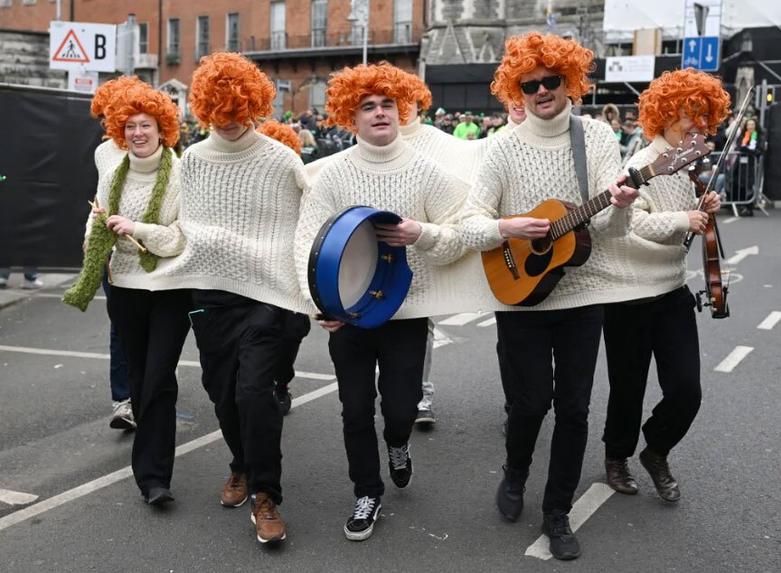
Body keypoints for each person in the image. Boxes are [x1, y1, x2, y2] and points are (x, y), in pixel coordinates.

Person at [461, 32, 638, 561]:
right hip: (521, 294)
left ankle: (557, 510)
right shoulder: (502, 146)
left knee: (575, 409)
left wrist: (623, 203)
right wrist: (506, 226)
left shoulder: (598, 138)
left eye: (550, 80)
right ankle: (515, 472)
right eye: (529, 83)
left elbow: (610, 230)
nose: (540, 90)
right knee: (530, 401)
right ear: (517, 87)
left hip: (583, 295)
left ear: (570, 81)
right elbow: (470, 220)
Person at [294, 63, 471, 542]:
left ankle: (397, 442)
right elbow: (305, 238)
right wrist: (317, 302)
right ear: (351, 118)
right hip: (347, 313)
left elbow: (463, 230)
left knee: (401, 407)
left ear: (401, 108)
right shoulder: (332, 174)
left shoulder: (424, 169)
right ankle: (366, 492)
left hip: (406, 311)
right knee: (354, 409)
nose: (378, 113)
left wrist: (422, 232)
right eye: (366, 106)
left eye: (386, 104)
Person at [177, 52, 311, 544]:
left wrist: (312, 294)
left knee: (254, 393)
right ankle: (240, 464)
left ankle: (265, 494)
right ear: (205, 109)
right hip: (211, 295)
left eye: (238, 112)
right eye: (220, 113)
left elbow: (306, 227)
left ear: (253, 106)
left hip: (268, 295)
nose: (230, 122)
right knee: (222, 396)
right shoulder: (192, 160)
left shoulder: (281, 160)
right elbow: (185, 226)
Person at [601, 68, 729, 504]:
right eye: (688, 112)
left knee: (686, 390)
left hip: (672, 290)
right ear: (665, 112)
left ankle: (656, 450)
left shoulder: (688, 163)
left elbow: (684, 216)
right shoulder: (640, 163)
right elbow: (629, 224)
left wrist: (702, 204)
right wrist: (683, 218)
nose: (697, 122)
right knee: (628, 386)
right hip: (629, 292)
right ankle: (616, 456)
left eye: (702, 114)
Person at [63, 78, 190, 505]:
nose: (138, 132)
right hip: (124, 288)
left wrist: (138, 229)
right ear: (121, 131)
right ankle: (150, 476)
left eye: (146, 125)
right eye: (130, 125)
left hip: (169, 289)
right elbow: (98, 214)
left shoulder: (180, 174)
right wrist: (91, 237)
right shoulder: (113, 168)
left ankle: (156, 477)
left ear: (163, 129)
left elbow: (179, 239)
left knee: (158, 379)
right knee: (139, 378)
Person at [256, 120, 314, 415]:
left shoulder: (300, 182)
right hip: (259, 277)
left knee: (292, 331)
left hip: (291, 275)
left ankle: (281, 382)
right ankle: (263, 383)